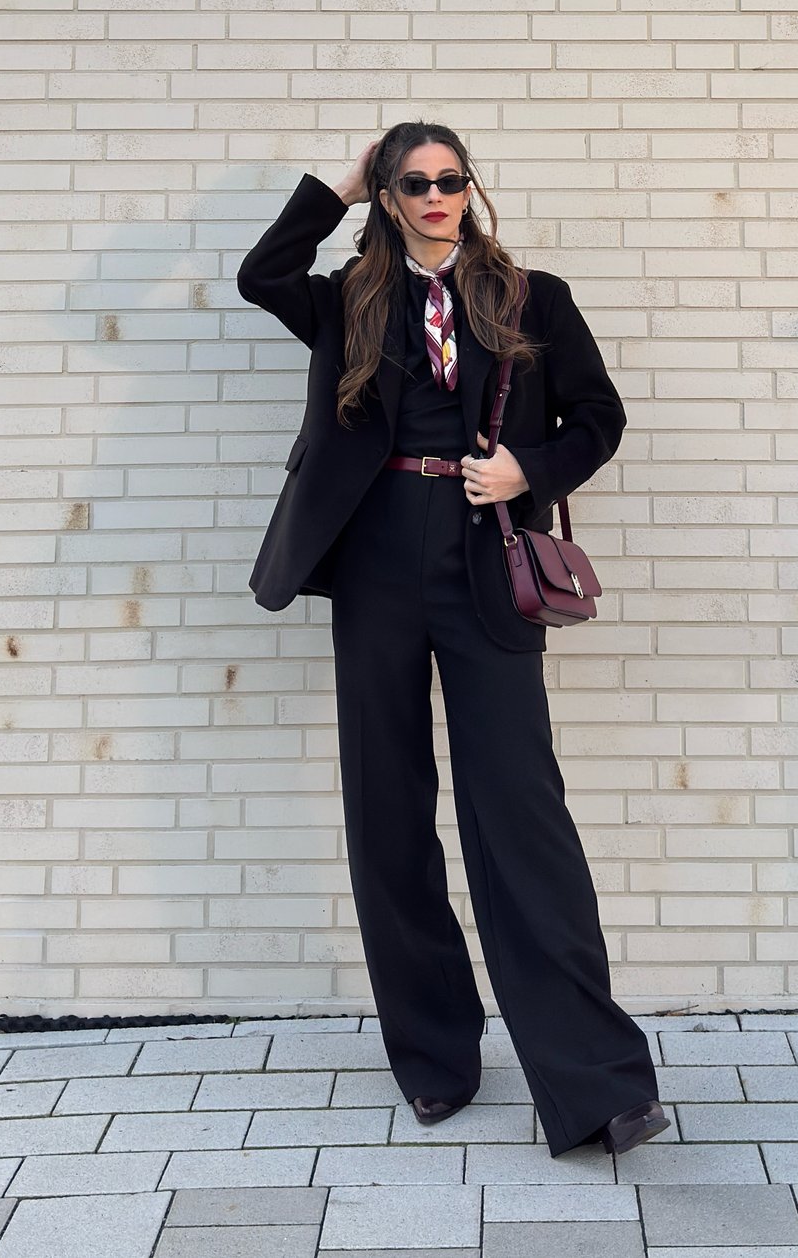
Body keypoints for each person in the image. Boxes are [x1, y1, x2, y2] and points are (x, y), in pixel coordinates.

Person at [236, 120, 667, 1158]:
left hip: (485, 555)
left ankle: (595, 1083)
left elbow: (598, 416)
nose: (437, 196)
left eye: (452, 179)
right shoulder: (350, 297)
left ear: (471, 188)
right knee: (387, 811)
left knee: (521, 813)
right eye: (415, 182)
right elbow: (261, 274)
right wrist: (340, 186)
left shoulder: (531, 297)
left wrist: (529, 469)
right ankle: (434, 1058)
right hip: (375, 556)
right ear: (390, 195)